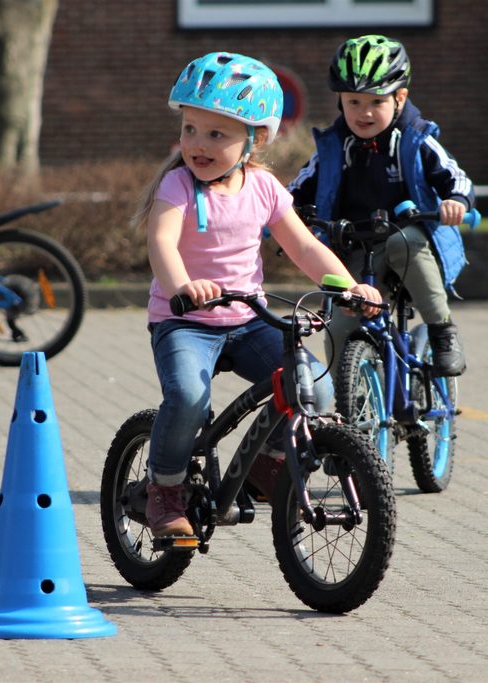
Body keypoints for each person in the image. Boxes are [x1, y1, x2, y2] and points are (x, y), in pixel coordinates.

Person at [135, 51, 381, 537]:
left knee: (315, 385)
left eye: (216, 134)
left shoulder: (265, 188)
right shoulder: (177, 185)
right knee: (187, 395)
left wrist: (348, 287)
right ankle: (163, 489)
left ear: (256, 138)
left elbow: (306, 248)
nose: (198, 145)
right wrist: (182, 286)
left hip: (248, 320)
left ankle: (265, 470)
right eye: (190, 130)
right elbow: (161, 242)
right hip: (184, 320)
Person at [288, 35, 476, 377]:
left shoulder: (416, 139)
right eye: (354, 102)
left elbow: (456, 178)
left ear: (400, 98)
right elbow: (296, 190)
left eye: (376, 101)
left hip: (405, 247)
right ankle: (352, 398)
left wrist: (455, 201)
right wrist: (282, 212)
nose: (365, 112)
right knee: (340, 324)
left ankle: (442, 329)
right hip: (354, 248)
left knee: (405, 240)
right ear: (340, 100)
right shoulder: (333, 146)